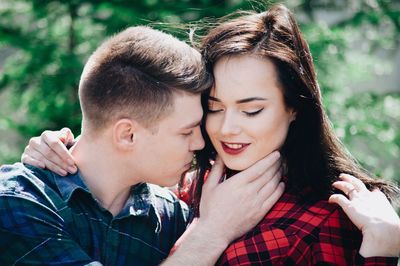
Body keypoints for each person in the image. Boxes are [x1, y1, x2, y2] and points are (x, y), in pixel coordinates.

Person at [21, 4, 400, 265]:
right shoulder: (179, 195)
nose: (226, 128)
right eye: (214, 108)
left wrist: (384, 248)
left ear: (294, 107)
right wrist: (65, 158)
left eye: (252, 110)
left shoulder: (329, 216)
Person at [0, 26, 285, 265]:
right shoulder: (18, 203)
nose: (200, 143)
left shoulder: (172, 217)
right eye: (186, 132)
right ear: (127, 135)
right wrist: (211, 234)